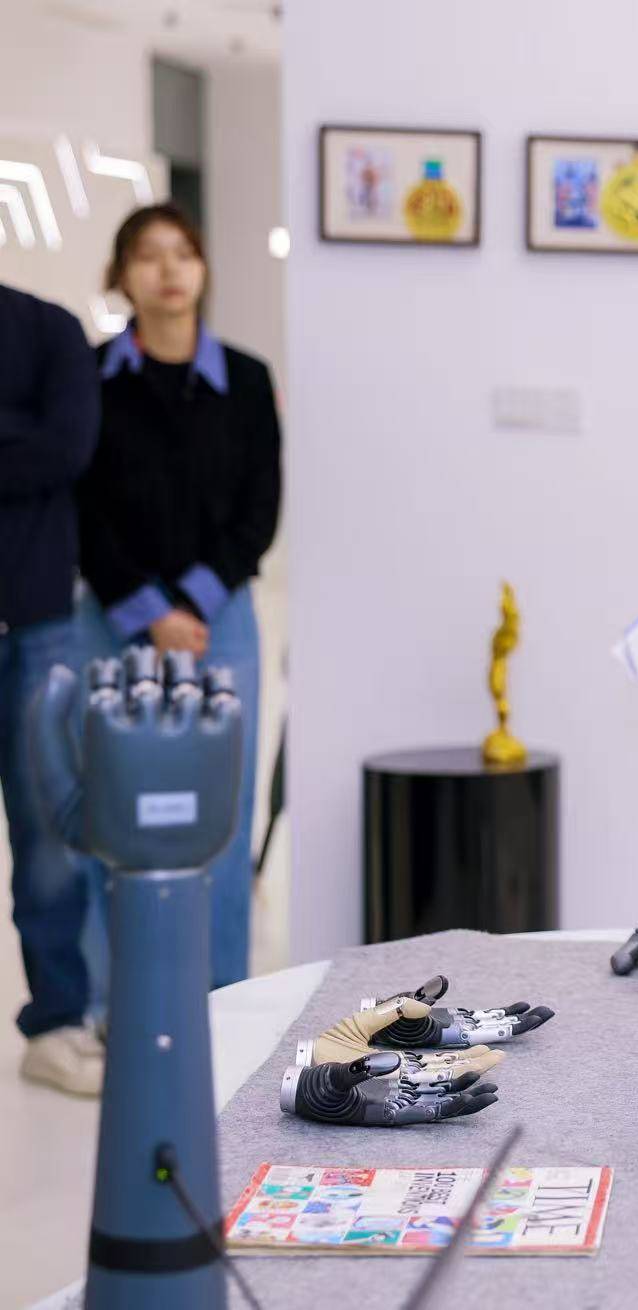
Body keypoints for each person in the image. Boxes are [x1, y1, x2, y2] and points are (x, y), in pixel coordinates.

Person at [75, 204, 282, 994]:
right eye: (148, 255)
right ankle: (113, 1004)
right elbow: (79, 507)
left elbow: (258, 510)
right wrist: (147, 612)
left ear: (202, 270)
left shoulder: (248, 379)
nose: (169, 270)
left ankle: (225, 999)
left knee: (219, 815)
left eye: (184, 253)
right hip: (113, 617)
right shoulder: (90, 377)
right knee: (110, 810)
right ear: (121, 275)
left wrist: (188, 606)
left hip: (217, 619)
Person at [0, 282, 102, 1095]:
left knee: (48, 836)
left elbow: (67, 448)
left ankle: (59, 1022)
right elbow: (36, 450)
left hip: (37, 623)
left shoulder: (49, 330)